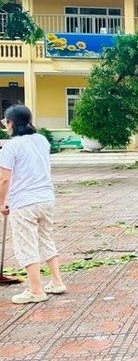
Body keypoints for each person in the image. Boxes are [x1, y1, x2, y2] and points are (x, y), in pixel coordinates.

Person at [0, 105, 65, 304]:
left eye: (6, 121)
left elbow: (4, 178)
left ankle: (36, 290)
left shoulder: (11, 146)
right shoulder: (42, 140)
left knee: (26, 243)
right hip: (46, 199)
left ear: (11, 123)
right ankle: (56, 281)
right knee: (46, 238)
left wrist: (2, 202)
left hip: (24, 202)